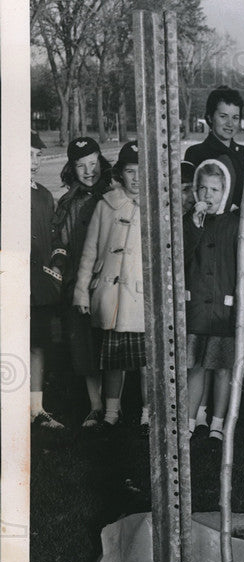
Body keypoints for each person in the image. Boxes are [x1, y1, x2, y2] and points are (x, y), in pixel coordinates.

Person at [73, 141, 149, 429]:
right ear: (120, 174)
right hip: (113, 294)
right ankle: (111, 412)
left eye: (142, 171)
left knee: (147, 361)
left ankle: (148, 411)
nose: (136, 178)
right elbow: (90, 250)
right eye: (130, 171)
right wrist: (82, 290)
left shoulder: (156, 206)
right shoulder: (106, 205)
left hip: (141, 297)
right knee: (113, 359)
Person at [50, 137, 112, 427]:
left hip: (110, 280)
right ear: (72, 169)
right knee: (84, 345)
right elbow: (60, 241)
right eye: (81, 166)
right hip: (78, 282)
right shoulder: (68, 202)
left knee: (112, 341)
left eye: (93, 163)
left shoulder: (114, 195)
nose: (89, 171)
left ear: (101, 161)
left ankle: (117, 404)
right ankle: (95, 405)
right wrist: (59, 264)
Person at [183, 156, 241, 441]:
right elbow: (181, 256)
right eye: (203, 189)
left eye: (215, 190)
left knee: (222, 367)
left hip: (224, 307)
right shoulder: (190, 221)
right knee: (195, 365)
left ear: (225, 191)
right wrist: (193, 225)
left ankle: (218, 422)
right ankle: (191, 419)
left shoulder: (234, 223)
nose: (208, 195)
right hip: (196, 306)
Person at [30, 131, 64, 429]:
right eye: (27, 155)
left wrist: (56, 261)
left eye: (37, 155)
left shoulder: (43, 194)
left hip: (38, 286)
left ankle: (35, 408)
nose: (33, 162)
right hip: (11, 283)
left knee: (38, 343)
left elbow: (53, 236)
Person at [184, 85, 244, 209]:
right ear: (210, 117)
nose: (230, 123)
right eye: (223, 116)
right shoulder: (196, 153)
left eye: (235, 118)